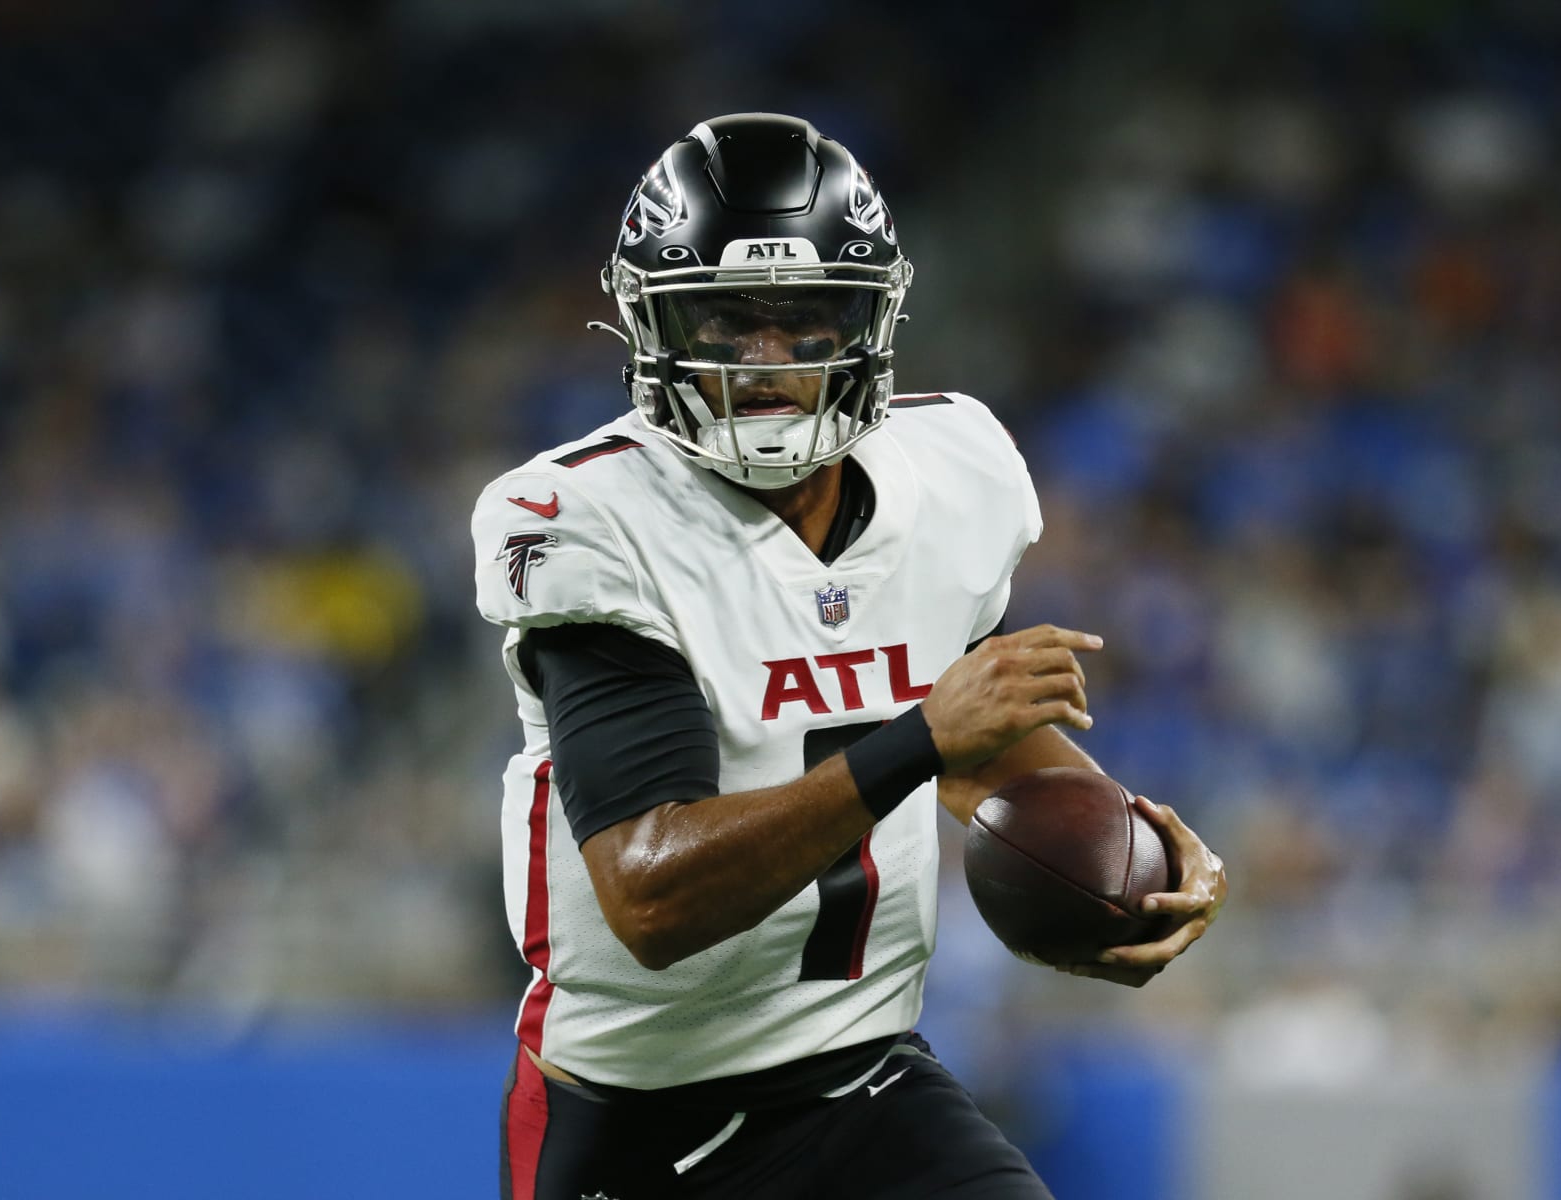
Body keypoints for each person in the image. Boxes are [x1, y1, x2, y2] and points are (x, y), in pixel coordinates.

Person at [471, 113, 1226, 1200]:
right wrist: (922, 736)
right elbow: (652, 901)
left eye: (806, 322)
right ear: (654, 326)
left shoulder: (951, 477)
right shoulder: (592, 519)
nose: (767, 366)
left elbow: (969, 747)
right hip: (633, 1119)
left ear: (868, 323)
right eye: (727, 325)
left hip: (862, 1083)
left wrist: (1122, 853)